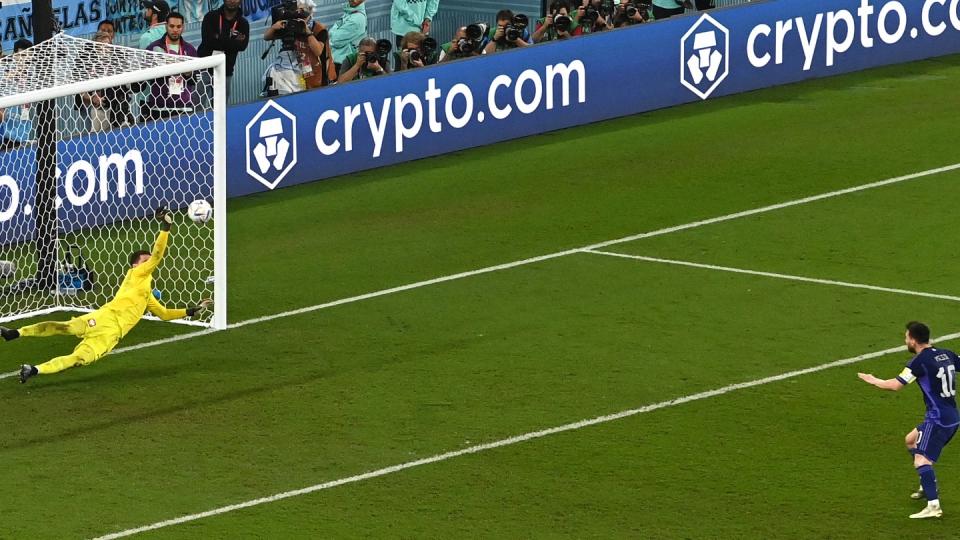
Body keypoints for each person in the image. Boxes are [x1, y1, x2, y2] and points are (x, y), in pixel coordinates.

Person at [6, 208, 211, 384]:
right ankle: (15, 332)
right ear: (135, 265)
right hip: (104, 317)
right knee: (65, 327)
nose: (149, 263)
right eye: (145, 260)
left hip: (110, 335)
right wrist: (166, 228)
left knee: (78, 358)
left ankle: (33, 369)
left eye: (148, 261)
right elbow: (157, 255)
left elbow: (164, 314)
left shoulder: (147, 292)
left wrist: (193, 310)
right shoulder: (136, 273)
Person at [858, 322, 960, 519]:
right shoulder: (946, 354)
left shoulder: (918, 362)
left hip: (937, 419)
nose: (905, 341)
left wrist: (874, 380)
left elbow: (896, 385)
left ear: (913, 340)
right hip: (952, 416)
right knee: (911, 440)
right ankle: (926, 483)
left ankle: (933, 506)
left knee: (921, 460)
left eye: (906, 337)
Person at [263, 0, 335, 95]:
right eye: (296, 10)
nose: (298, 13)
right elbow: (267, 37)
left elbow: (318, 51)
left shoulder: (318, 28)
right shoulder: (290, 24)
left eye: (301, 10)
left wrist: (307, 31)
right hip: (291, 70)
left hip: (315, 73)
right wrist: (274, 28)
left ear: (310, 11)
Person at [145, 12, 199, 120]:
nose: (175, 30)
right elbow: (145, 78)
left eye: (178, 26)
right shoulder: (153, 48)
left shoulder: (190, 50)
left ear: (183, 27)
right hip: (159, 108)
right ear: (166, 26)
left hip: (183, 108)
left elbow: (195, 80)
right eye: (172, 26)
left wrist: (189, 74)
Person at [198, 0, 250, 101]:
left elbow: (242, 46)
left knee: (221, 109)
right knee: (196, 106)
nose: (232, 1)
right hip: (204, 68)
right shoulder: (211, 17)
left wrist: (218, 37)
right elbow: (208, 41)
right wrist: (232, 40)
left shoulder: (243, 23)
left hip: (225, 71)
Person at [329, 0, 367, 74]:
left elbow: (335, 40)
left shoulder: (357, 19)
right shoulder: (349, 12)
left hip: (343, 65)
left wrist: (332, 33)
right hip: (337, 62)